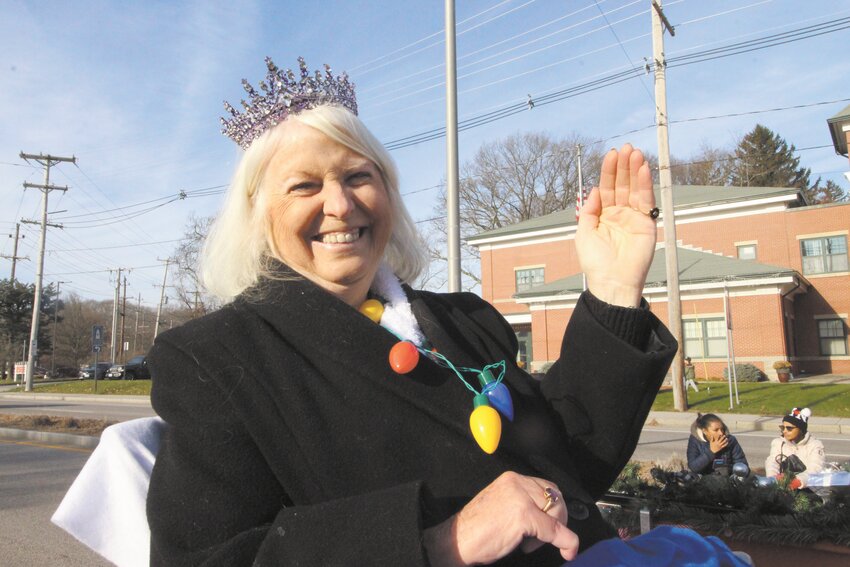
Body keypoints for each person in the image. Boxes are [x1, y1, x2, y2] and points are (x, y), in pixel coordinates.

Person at [145, 57, 678, 566]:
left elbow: (570, 466)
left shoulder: (466, 322)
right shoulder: (215, 361)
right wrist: (445, 542)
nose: (340, 204)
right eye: (305, 185)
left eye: (357, 176)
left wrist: (612, 292)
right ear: (257, 215)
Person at [765, 407, 825, 489]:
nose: (784, 431)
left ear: (800, 429)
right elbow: (772, 463)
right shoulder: (778, 443)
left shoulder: (815, 445)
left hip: (807, 490)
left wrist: (797, 481)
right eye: (783, 428)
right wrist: (773, 478)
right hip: (781, 488)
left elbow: (815, 469)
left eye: (789, 428)